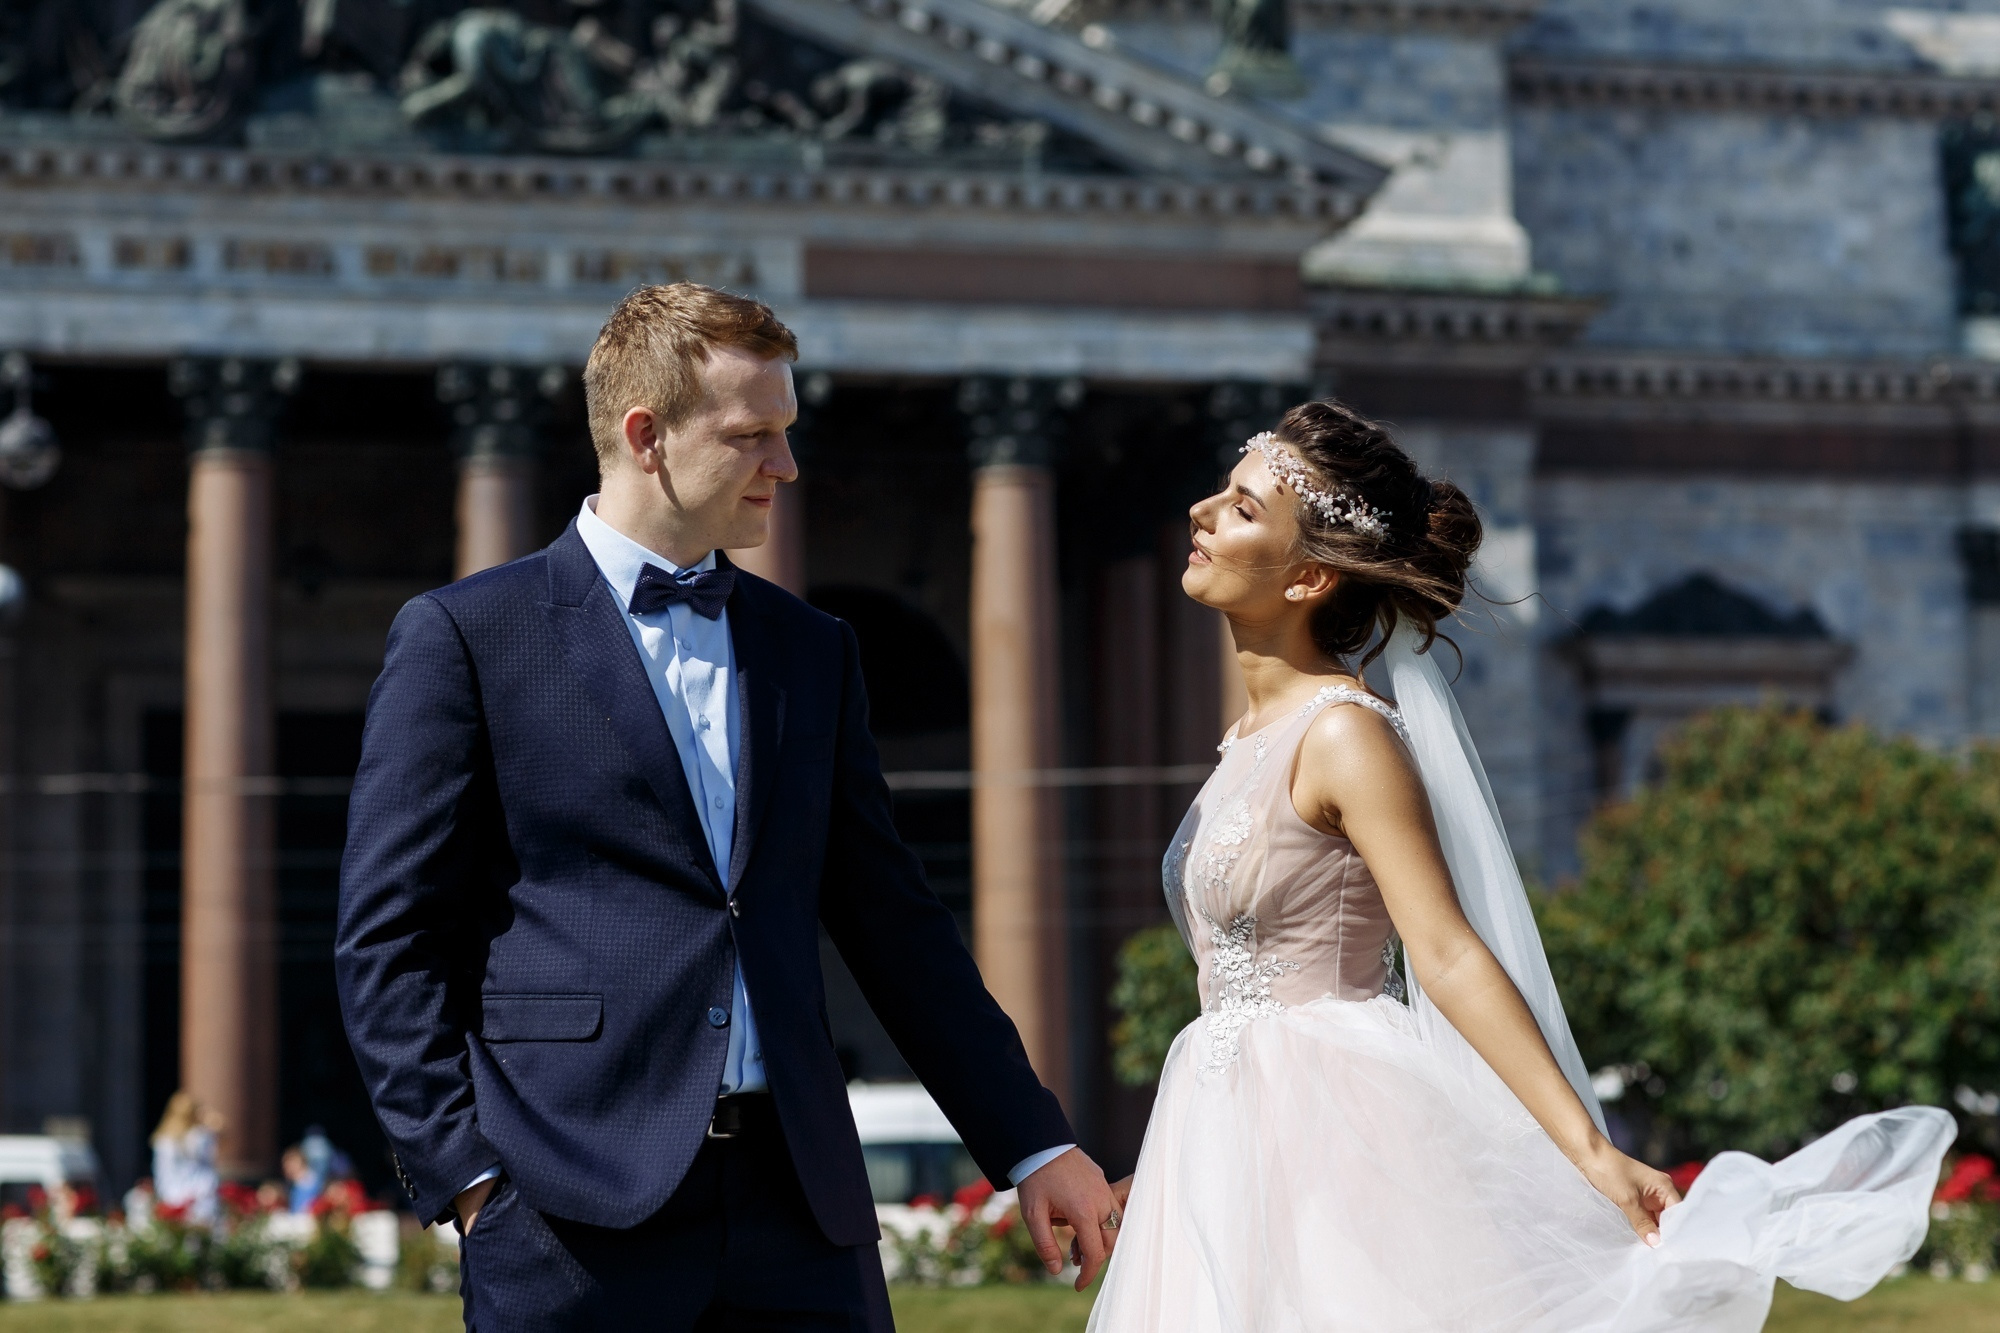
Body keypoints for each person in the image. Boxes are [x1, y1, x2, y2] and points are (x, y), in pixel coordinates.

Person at [335, 282, 1118, 1332]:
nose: (785, 467)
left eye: (786, 434)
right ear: (646, 434)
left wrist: (1033, 1139)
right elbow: (387, 939)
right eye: (754, 436)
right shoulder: (468, 636)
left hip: (801, 1205)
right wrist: (466, 1174)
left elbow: (895, 923)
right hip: (566, 1209)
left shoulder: (812, 650)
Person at [1087, 401, 1955, 1332]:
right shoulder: (1244, 741)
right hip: (1227, 1131)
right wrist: (1184, 1164)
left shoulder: (1342, 733)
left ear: (1307, 577)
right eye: (1222, 491)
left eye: (1244, 506)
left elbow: (1447, 951)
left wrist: (1591, 1150)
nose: (1202, 511)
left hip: (1339, 1128)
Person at [149, 1091, 222, 1226]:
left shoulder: (163, 1139)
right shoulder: (200, 1136)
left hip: (172, 1195)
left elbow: (161, 1172)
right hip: (200, 1196)